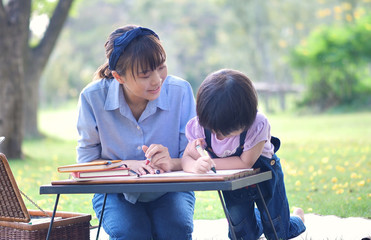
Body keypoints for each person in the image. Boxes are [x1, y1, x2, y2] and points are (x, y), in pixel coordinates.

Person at [76, 25, 196, 240]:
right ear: (118, 77)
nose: (157, 80)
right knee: (131, 233)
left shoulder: (181, 92)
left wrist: (172, 162)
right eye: (144, 75)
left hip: (171, 189)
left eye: (161, 67)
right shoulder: (92, 98)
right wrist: (123, 166)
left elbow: (194, 156)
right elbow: (85, 165)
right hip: (115, 192)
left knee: (174, 230)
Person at [182, 69, 306, 239]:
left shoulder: (257, 124)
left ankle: (297, 218)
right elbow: (187, 158)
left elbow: (245, 162)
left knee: (277, 231)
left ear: (247, 119)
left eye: (226, 133)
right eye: (214, 130)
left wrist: (210, 162)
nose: (218, 137)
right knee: (241, 234)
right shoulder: (200, 126)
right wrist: (194, 166)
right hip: (233, 181)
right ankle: (256, 220)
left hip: (265, 175)